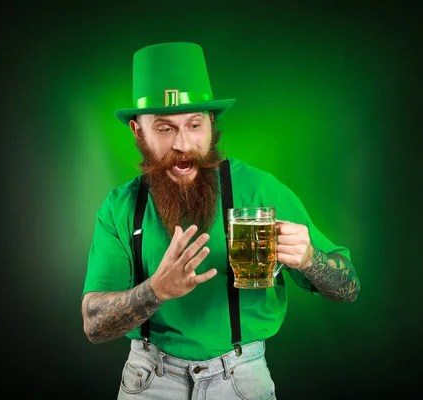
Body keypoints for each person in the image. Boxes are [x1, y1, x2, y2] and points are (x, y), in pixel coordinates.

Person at [81, 42, 361, 399]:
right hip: (149, 379)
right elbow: (93, 324)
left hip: (241, 378)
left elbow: (348, 287)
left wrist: (310, 259)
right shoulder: (120, 207)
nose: (183, 144)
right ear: (138, 132)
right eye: (165, 129)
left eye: (194, 124)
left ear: (211, 123)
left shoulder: (259, 190)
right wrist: (157, 289)